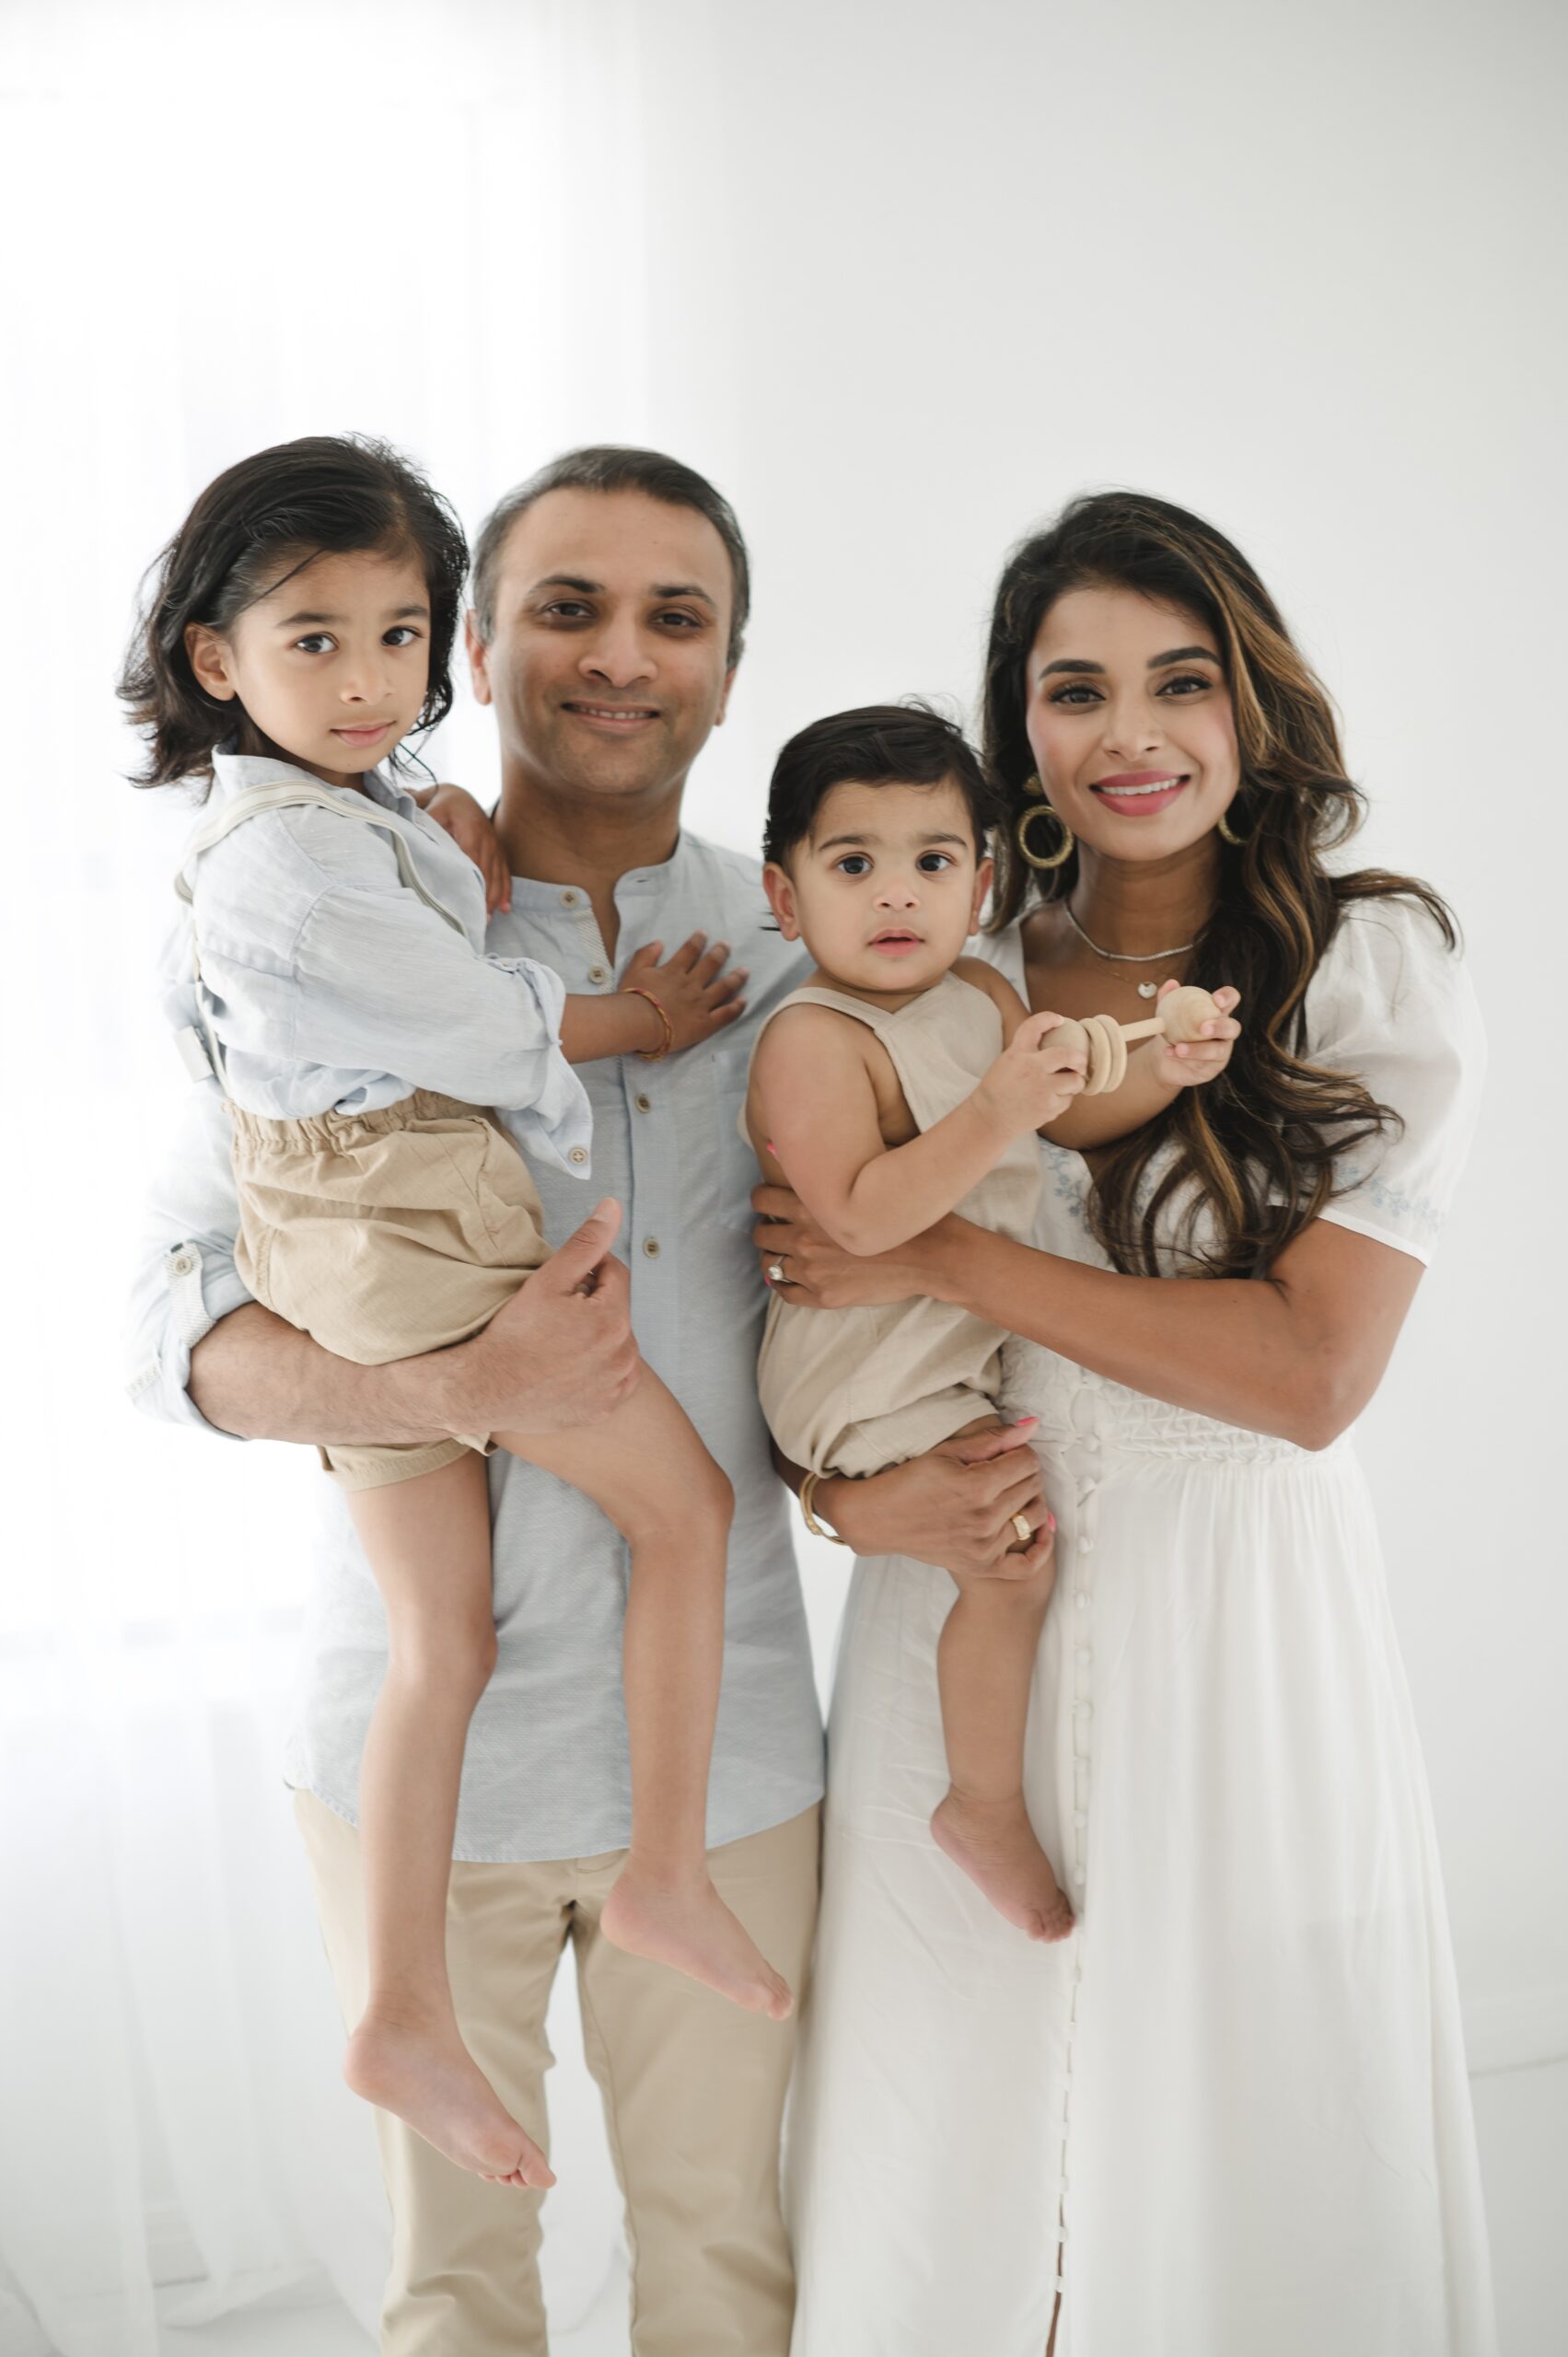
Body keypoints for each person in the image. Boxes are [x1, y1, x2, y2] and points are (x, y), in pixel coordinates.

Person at [756, 493, 1499, 2355]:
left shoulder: (1362, 966)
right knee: (946, 2110)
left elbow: (1311, 1378)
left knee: (1235, 2096)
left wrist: (950, 1258)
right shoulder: (941, 961)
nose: (1130, 733)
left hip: (1229, 1611)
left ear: (1254, 708)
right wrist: (847, 1503)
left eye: (1182, 680)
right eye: (1075, 690)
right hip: (962, 1603)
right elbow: (807, 1292)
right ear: (1020, 735)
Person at [123, 435, 798, 2194]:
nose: (622, 657)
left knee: (734, 2260)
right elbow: (168, 1326)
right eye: (566, 609)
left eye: (678, 618)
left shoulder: (810, 940)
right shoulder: (322, 897)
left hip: (733, 1764)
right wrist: (451, 1380)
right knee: (454, 2296)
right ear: (495, 647)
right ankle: (404, 2004)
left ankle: (635, 1887)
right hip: (420, 1779)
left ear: (733, 664)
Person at [746, 702, 1240, 1943]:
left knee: (1021, 1551)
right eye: (853, 864)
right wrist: (1000, 1107)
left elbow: (1064, 1113)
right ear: (785, 894)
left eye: (932, 861)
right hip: (863, 1366)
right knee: (1010, 1567)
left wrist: (1158, 1071)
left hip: (939, 1336)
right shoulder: (814, 1039)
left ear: (982, 884)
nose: (895, 895)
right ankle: (981, 1804)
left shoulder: (974, 988)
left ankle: (984, 1796)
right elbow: (859, 1219)